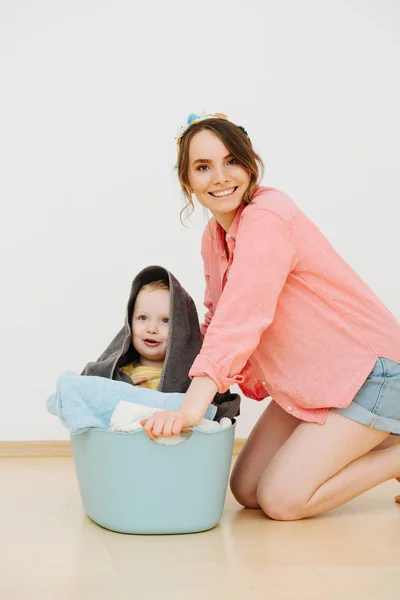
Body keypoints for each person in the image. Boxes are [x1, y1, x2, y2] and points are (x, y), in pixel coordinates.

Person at [141, 112, 400, 519]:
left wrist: (191, 410)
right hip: (318, 377)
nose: (221, 177)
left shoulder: (267, 217)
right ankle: (376, 438)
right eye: (203, 167)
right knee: (247, 489)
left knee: (281, 500)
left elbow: (241, 319)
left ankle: (395, 454)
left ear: (250, 163)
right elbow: (217, 317)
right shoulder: (215, 236)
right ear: (187, 181)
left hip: (370, 373)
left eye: (232, 161)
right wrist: (172, 386)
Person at [81, 264, 239, 419]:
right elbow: (92, 397)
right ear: (130, 322)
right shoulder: (118, 374)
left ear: (181, 329)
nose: (152, 329)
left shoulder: (193, 379)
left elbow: (216, 407)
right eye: (143, 318)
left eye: (165, 320)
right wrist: (122, 390)